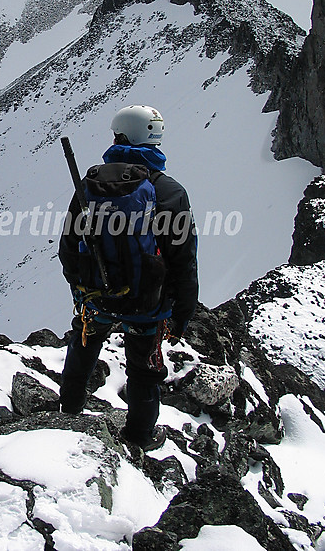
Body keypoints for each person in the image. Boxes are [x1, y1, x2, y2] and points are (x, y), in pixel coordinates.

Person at [58, 104, 198, 451]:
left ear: (120, 136)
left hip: (97, 297)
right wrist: (181, 313)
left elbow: (69, 245)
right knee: (144, 371)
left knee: (84, 348)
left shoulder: (90, 185)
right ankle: (138, 438)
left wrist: (81, 289)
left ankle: (67, 413)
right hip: (147, 304)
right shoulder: (170, 192)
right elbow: (183, 258)